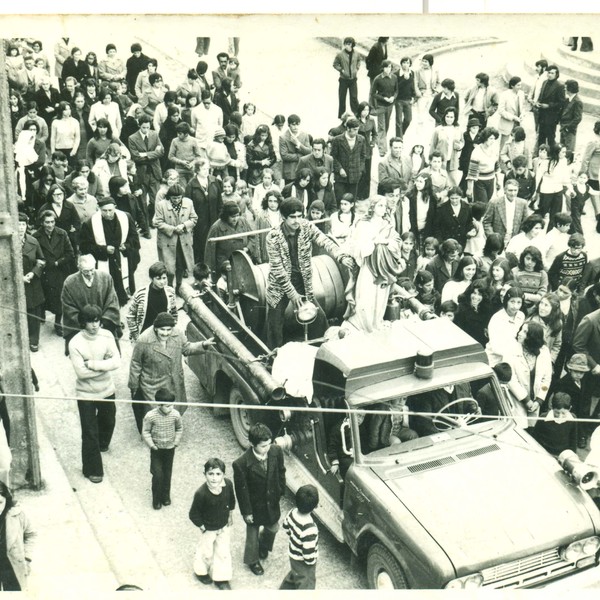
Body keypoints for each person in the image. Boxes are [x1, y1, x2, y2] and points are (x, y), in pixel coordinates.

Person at [265, 199, 353, 348]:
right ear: (283, 217)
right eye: (293, 217)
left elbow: (325, 241)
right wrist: (292, 294)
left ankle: (323, 347)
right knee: (275, 321)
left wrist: (340, 256)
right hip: (279, 286)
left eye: (300, 216)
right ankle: (273, 355)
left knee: (318, 317)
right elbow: (277, 270)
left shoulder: (307, 227)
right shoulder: (273, 237)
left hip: (302, 281)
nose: (297, 220)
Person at [129, 312, 215, 432]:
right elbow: (136, 363)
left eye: (168, 330)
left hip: (174, 382)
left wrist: (203, 345)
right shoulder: (144, 339)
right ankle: (156, 434)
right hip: (153, 385)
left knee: (173, 409)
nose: (165, 333)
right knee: (156, 413)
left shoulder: (178, 334)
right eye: (162, 330)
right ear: (155, 328)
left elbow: (186, 348)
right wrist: (134, 386)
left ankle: (170, 429)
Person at [68, 304, 120, 483]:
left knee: (109, 420)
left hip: (106, 389)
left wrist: (93, 364)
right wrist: (105, 365)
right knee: (89, 432)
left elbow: (117, 361)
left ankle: (102, 443)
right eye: (90, 322)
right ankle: (93, 469)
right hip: (86, 394)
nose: (94, 325)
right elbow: (81, 373)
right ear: (83, 323)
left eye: (97, 321)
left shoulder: (107, 336)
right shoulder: (75, 343)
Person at [343, 195, 405, 334]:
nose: (384, 209)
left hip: (383, 267)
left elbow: (397, 242)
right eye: (380, 205)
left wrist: (386, 242)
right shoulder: (362, 224)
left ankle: (376, 323)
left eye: (384, 206)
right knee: (366, 297)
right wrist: (373, 243)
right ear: (372, 207)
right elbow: (354, 245)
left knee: (380, 298)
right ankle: (364, 326)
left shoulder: (387, 225)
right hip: (368, 267)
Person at [233, 423, 286, 576]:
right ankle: (253, 560)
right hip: (254, 506)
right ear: (252, 444)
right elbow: (241, 490)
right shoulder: (241, 464)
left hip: (271, 502)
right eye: (263, 446)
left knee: (273, 528)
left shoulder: (276, 451)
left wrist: (280, 490)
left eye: (269, 444)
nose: (267, 448)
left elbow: (281, 471)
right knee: (252, 536)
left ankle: (264, 545)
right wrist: (246, 512)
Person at [79, 196, 140, 306]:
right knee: (105, 293)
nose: (107, 214)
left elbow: (134, 237)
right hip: (104, 260)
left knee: (122, 291)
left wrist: (126, 245)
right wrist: (103, 249)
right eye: (104, 211)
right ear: (99, 209)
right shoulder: (90, 223)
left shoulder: (125, 217)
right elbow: (84, 246)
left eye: (110, 210)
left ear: (115, 207)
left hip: (122, 258)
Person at [189, 457, 236, 590]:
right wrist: (203, 526)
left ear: (223, 475)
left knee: (223, 551)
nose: (214, 478)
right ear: (204, 474)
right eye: (210, 474)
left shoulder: (228, 485)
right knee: (206, 552)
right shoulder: (201, 493)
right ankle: (201, 571)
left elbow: (231, 500)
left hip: (223, 526)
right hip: (208, 529)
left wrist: (230, 515)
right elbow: (193, 514)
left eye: (218, 474)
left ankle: (221, 579)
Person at [61, 254, 121, 352]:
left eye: (92, 270)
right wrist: (85, 324)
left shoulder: (106, 278)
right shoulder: (69, 282)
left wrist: (102, 322)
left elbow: (112, 302)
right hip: (81, 328)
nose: (89, 274)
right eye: (86, 271)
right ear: (79, 268)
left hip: (104, 326)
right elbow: (68, 308)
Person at [504, 321, 553, 428]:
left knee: (532, 428)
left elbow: (546, 379)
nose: (520, 333)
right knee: (518, 428)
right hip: (516, 399)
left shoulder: (544, 352)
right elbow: (511, 379)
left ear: (533, 337)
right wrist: (526, 400)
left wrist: (539, 399)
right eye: (521, 329)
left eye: (525, 332)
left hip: (535, 402)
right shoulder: (510, 350)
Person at [34, 209, 75, 337]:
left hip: (59, 271)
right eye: (47, 222)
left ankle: (58, 323)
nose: (50, 225)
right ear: (42, 222)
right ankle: (42, 314)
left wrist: (58, 262)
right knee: (43, 296)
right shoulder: (36, 236)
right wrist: (41, 262)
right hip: (44, 273)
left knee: (59, 299)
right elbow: (33, 255)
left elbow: (70, 253)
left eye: (52, 222)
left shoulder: (62, 234)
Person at [142, 388, 182, 510]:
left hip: (170, 449)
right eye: (167, 406)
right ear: (159, 405)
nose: (170, 408)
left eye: (172, 405)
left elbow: (179, 428)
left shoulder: (175, 414)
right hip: (156, 450)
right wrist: (152, 445)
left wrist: (175, 442)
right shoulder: (151, 416)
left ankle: (165, 497)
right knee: (158, 474)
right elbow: (145, 431)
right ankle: (156, 499)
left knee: (167, 473)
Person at [153, 183, 198, 290]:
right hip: (167, 240)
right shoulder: (161, 205)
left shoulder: (189, 203)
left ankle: (178, 285)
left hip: (183, 240)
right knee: (169, 267)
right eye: (174, 198)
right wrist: (173, 229)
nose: (177, 200)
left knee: (181, 264)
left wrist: (183, 225)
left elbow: (194, 218)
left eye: (179, 198)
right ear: (169, 197)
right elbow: (158, 222)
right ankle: (168, 286)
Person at [279, 484, 320, 590]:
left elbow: (286, 526)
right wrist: (312, 562)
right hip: (304, 563)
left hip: (293, 555)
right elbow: (308, 555)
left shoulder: (292, 512)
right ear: (315, 506)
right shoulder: (310, 528)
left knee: (295, 573)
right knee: (306, 584)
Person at [127, 261, 178, 342]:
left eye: (164, 278)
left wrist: (170, 330)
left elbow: (174, 313)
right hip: (144, 335)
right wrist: (137, 336)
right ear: (151, 278)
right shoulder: (141, 293)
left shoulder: (170, 292)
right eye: (158, 278)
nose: (162, 282)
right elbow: (131, 316)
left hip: (163, 335)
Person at [0, 481, 36, 591]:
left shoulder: (17, 514)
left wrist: (27, 558)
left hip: (11, 567)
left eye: (0, 502)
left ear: (6, 498)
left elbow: (31, 534)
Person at [128, 114, 164, 225]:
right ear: (139, 126)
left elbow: (161, 152)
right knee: (142, 202)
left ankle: (149, 220)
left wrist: (145, 154)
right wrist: (153, 154)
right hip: (141, 174)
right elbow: (136, 157)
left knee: (155, 200)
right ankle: (144, 223)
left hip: (154, 172)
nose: (146, 130)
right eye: (144, 128)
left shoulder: (154, 135)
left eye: (148, 127)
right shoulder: (132, 138)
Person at [204, 201, 255, 279]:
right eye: (232, 217)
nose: (235, 219)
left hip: (243, 261)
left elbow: (253, 237)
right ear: (225, 216)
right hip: (225, 264)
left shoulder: (243, 221)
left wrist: (248, 248)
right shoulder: (216, 227)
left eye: (237, 215)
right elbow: (209, 251)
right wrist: (210, 271)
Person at [185, 159, 223, 263]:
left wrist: (220, 217)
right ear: (197, 170)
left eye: (208, 168)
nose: (206, 171)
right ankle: (201, 266)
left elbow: (220, 202)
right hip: (199, 222)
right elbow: (188, 205)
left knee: (215, 241)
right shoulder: (191, 185)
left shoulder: (214, 181)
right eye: (203, 169)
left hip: (214, 219)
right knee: (200, 244)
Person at [18, 213, 45, 352]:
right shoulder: (5, 243)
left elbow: (41, 260)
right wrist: (18, 277)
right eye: (18, 224)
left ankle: (34, 340)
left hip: (32, 283)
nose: (21, 227)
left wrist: (33, 272)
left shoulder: (33, 241)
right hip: (14, 284)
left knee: (34, 312)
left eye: (23, 224)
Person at [555, 353, 593, 448]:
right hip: (569, 410)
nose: (579, 375)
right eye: (576, 372)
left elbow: (586, 398)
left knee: (583, 418)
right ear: (569, 370)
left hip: (581, 409)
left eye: (582, 372)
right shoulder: (563, 383)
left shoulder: (584, 381)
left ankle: (582, 435)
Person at [482, 178, 529, 248]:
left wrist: (519, 238)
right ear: (505, 190)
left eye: (515, 190)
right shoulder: (494, 203)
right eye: (510, 190)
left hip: (514, 242)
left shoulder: (523, 203)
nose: (513, 193)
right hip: (497, 242)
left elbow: (525, 224)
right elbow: (486, 222)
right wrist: (493, 238)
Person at [486, 285, 526, 366]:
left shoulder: (521, 316)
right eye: (512, 302)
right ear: (506, 301)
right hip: (495, 360)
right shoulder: (497, 318)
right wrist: (514, 354)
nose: (515, 306)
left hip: (515, 357)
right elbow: (495, 346)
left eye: (519, 302)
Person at [330, 117, 367, 200]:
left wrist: (360, 170)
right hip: (340, 178)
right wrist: (340, 169)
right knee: (340, 200)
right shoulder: (337, 140)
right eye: (355, 129)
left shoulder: (361, 139)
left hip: (355, 177)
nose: (356, 132)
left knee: (351, 202)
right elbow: (333, 157)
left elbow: (363, 156)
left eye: (357, 129)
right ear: (348, 128)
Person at [430, 106, 463, 186]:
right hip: (440, 161)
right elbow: (433, 145)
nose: (449, 119)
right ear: (444, 117)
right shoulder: (438, 130)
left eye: (451, 117)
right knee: (440, 182)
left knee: (453, 182)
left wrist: (460, 146)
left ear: (455, 118)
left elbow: (462, 142)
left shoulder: (458, 130)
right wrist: (431, 160)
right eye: (447, 116)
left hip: (452, 161)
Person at [466, 126, 500, 204]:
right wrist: (469, 189)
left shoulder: (494, 149)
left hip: (491, 180)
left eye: (494, 139)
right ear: (485, 138)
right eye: (491, 138)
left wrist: (498, 181)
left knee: (488, 203)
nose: (493, 141)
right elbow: (472, 172)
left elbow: (497, 166)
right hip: (480, 182)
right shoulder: (477, 151)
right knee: (482, 204)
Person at [371, 60, 398, 156]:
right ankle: (382, 150)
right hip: (381, 106)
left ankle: (380, 140)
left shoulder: (394, 77)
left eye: (390, 67)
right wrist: (383, 98)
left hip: (390, 106)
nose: (388, 69)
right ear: (382, 68)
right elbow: (373, 93)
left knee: (386, 125)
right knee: (382, 127)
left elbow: (396, 91)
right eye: (386, 67)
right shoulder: (377, 79)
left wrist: (393, 98)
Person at [535, 65, 565, 148]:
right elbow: (542, 96)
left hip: (551, 118)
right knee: (541, 138)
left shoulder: (559, 86)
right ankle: (540, 155)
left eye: (552, 73)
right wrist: (538, 103)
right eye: (548, 72)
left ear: (556, 75)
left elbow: (561, 103)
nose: (549, 75)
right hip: (542, 116)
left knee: (551, 139)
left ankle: (552, 156)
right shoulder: (545, 82)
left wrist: (548, 106)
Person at [511, 246, 548, 314]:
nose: (530, 262)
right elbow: (514, 292)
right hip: (517, 306)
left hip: (535, 308)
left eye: (533, 260)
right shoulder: (515, 271)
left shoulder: (542, 274)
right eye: (528, 258)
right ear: (523, 258)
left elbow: (542, 295)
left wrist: (526, 296)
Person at [454, 279, 491, 346]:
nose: (476, 297)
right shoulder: (461, 309)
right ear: (469, 293)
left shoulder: (486, 309)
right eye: (474, 293)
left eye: (480, 294)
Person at [333, 37, 361, 119]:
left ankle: (357, 114)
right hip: (343, 80)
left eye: (349, 44)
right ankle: (341, 116)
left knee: (354, 97)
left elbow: (359, 60)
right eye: (346, 44)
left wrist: (356, 69)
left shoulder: (356, 53)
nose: (347, 46)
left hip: (353, 79)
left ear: (352, 45)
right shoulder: (340, 54)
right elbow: (335, 64)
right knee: (342, 98)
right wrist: (341, 70)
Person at [279, 114, 312, 184]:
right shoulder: (283, 137)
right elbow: (284, 156)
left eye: (297, 125)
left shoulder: (304, 135)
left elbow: (309, 151)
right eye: (293, 124)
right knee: (289, 192)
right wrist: (300, 156)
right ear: (289, 124)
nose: (296, 127)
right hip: (289, 171)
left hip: (303, 170)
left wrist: (298, 144)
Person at [497, 76, 524, 150]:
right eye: (518, 85)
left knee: (515, 146)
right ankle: (501, 161)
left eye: (520, 85)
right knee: (504, 146)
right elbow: (501, 110)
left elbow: (522, 107)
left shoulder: (521, 94)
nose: (520, 87)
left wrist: (522, 115)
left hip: (518, 125)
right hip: (507, 124)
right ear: (512, 86)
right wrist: (513, 117)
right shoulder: (505, 95)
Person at [580, 120, 600, 219]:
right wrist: (583, 172)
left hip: (598, 172)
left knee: (588, 192)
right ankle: (598, 214)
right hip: (592, 172)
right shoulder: (593, 142)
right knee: (594, 192)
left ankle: (578, 205)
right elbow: (586, 158)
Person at [394, 56, 417, 138]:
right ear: (401, 64)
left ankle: (401, 133)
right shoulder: (396, 74)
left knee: (408, 119)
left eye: (407, 63)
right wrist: (404, 79)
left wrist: (413, 97)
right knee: (399, 120)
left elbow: (412, 85)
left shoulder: (412, 73)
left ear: (410, 64)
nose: (405, 65)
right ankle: (399, 138)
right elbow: (396, 87)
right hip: (399, 100)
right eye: (404, 62)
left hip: (408, 99)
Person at [559, 79, 583, 153]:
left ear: (570, 89)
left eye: (566, 87)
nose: (565, 89)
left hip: (569, 131)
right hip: (563, 129)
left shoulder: (577, 102)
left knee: (568, 152)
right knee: (561, 150)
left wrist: (567, 128)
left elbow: (578, 118)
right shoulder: (567, 100)